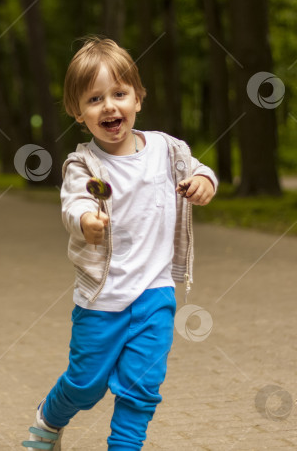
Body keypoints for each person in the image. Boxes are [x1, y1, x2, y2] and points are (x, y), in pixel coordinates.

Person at [22, 36, 217, 451]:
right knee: (86, 386)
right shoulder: (84, 163)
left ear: (138, 99)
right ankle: (48, 420)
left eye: (119, 94)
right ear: (78, 112)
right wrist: (86, 221)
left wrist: (203, 182)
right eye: (94, 99)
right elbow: (73, 202)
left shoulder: (166, 148)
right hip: (101, 297)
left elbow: (200, 169)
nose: (109, 106)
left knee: (141, 388)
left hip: (155, 293)